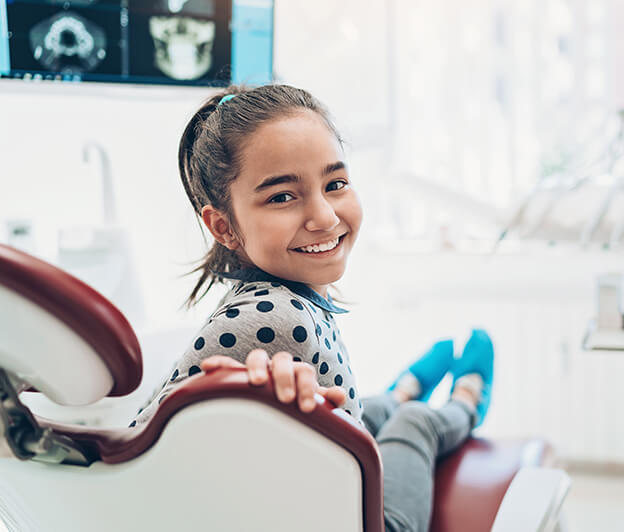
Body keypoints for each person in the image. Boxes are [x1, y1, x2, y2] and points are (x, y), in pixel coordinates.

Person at [131, 84, 494, 532]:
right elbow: (142, 455)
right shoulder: (276, 320)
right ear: (223, 226)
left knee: (367, 411)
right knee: (417, 424)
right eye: (282, 196)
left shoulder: (274, 297)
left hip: (311, 481)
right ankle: (466, 400)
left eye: (335, 184)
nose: (324, 216)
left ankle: (401, 392)